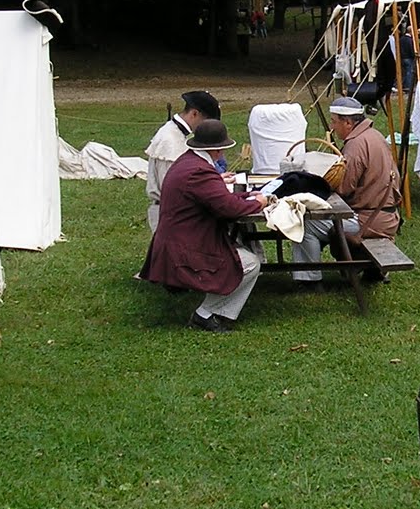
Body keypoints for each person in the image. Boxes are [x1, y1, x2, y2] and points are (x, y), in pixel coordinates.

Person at [139, 120, 275, 332]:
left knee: (242, 255)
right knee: (250, 263)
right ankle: (206, 313)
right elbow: (229, 208)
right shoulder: (199, 172)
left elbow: (217, 197)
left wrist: (248, 195)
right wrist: (259, 202)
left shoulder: (188, 162)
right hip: (184, 247)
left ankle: (211, 309)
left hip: (180, 239)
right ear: (218, 149)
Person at [291, 96, 401, 286]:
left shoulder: (356, 145)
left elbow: (343, 187)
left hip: (368, 220)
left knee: (305, 223)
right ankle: (365, 268)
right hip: (386, 216)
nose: (332, 127)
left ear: (348, 122)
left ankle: (308, 279)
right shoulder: (375, 136)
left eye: (334, 121)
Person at [145, 90, 221, 233]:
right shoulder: (169, 140)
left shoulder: (176, 134)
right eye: (206, 123)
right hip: (171, 216)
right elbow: (173, 188)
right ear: (194, 114)